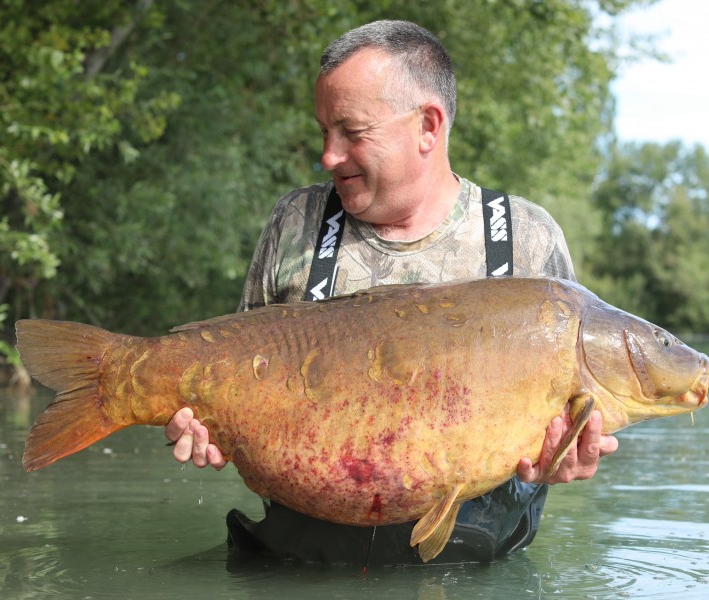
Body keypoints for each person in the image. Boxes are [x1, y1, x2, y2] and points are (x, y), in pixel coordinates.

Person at [165, 20, 618, 564]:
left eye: (352, 132)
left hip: (475, 577)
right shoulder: (297, 223)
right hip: (300, 570)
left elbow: (569, 425)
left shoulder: (524, 238)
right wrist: (203, 420)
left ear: (428, 126)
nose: (328, 155)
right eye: (323, 131)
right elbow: (234, 373)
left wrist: (568, 454)